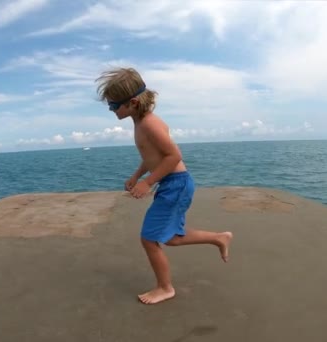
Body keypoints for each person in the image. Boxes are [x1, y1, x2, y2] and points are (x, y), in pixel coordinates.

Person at [95, 67, 233, 305]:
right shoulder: (139, 121)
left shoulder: (149, 124)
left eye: (113, 105)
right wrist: (137, 175)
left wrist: (148, 182)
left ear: (133, 102)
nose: (111, 110)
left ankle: (165, 288)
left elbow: (173, 156)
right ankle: (219, 237)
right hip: (173, 184)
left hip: (176, 184)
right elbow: (152, 156)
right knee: (171, 237)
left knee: (149, 238)